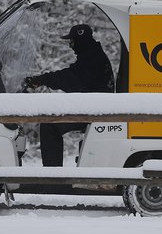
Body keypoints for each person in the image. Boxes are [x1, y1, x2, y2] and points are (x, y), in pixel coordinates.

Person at [24, 24, 114, 166]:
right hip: (94, 107)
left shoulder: (92, 58)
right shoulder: (93, 55)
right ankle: (53, 174)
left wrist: (43, 79)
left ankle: (52, 176)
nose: (70, 46)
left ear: (80, 40)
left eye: (72, 41)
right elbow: (74, 78)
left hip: (96, 111)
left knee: (49, 125)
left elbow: (72, 79)